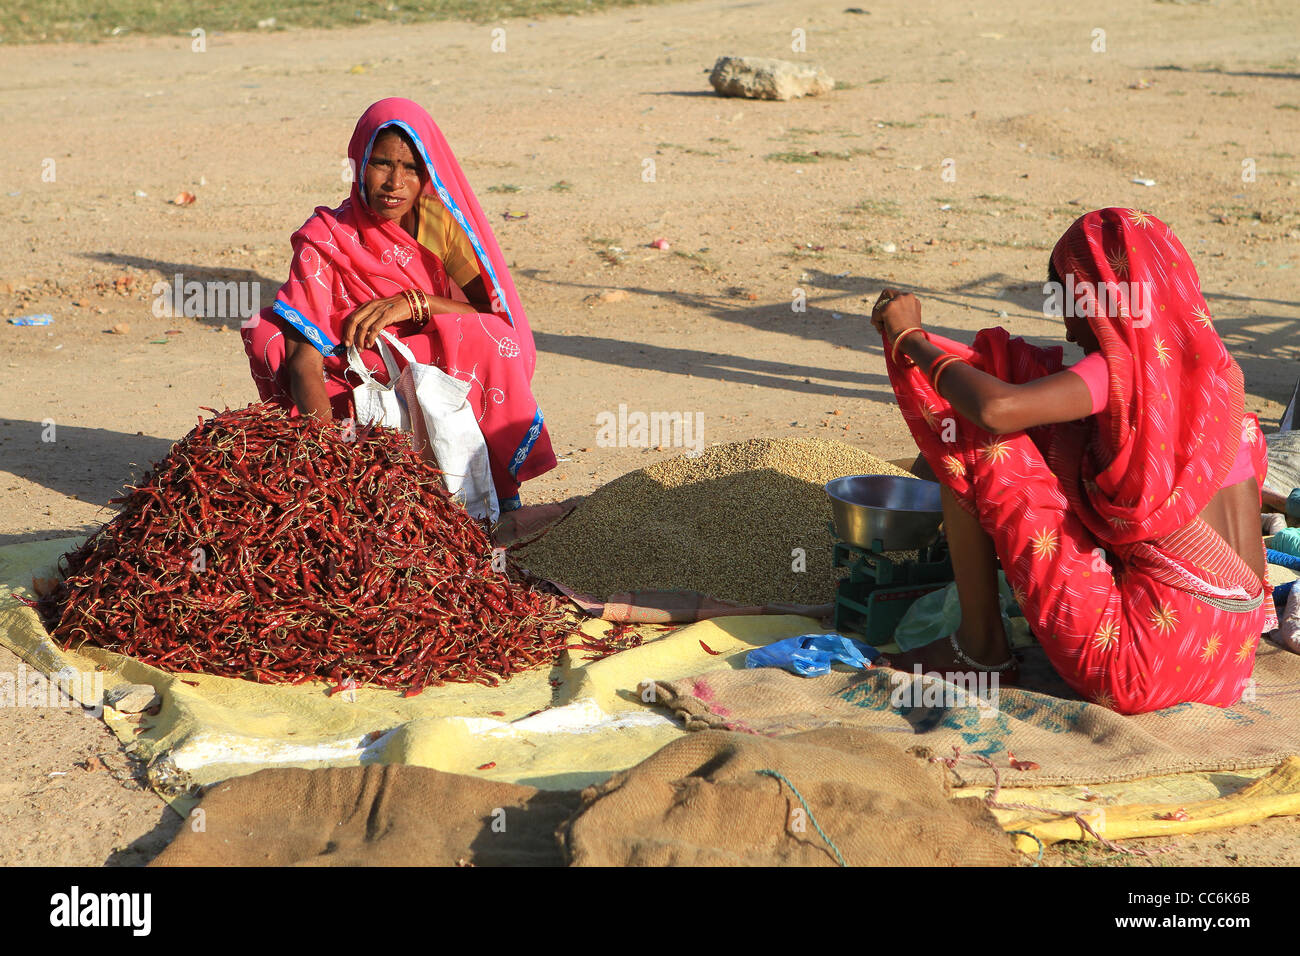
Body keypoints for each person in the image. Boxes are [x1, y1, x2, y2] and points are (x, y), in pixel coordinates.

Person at [872, 207, 1270, 715]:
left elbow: (995, 408)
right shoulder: (1214, 377)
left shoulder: (1125, 374)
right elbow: (1037, 386)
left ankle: (980, 649)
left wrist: (911, 340)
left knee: (968, 433)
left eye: (1067, 300)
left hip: (1135, 668)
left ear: (1097, 295)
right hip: (1230, 660)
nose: (1066, 328)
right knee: (1051, 427)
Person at [241, 97, 554, 511]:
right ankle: (349, 472)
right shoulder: (325, 237)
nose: (395, 184)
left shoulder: (439, 224)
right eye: (382, 163)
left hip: (427, 366)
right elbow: (304, 359)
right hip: (352, 374)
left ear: (427, 173)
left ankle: (494, 490)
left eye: (411, 168)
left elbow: (488, 317)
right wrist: (329, 463)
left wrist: (414, 304)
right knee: (266, 329)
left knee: (492, 336)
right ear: (359, 163)